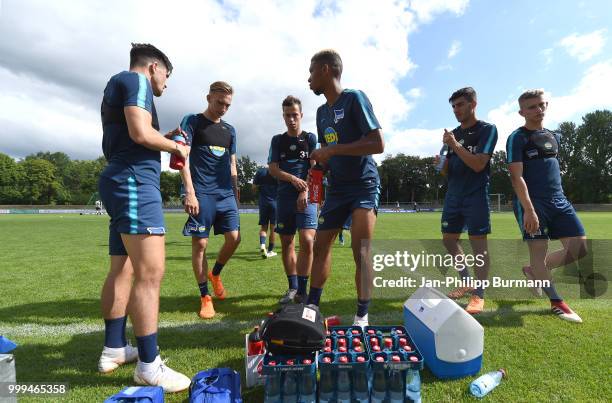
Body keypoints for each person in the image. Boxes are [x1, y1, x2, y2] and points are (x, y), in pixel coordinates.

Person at [97, 43, 191, 392]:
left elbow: (134, 135)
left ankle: (114, 349)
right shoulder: (136, 82)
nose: (166, 83)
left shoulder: (117, 83)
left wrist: (160, 139)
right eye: (167, 75)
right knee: (151, 274)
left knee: (122, 268)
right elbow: (139, 133)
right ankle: (150, 367)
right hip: (135, 182)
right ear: (154, 67)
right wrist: (176, 147)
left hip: (120, 178)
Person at [306, 49, 384, 327]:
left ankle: (362, 314)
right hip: (337, 189)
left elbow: (377, 143)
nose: (309, 79)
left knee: (360, 250)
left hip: (364, 184)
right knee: (321, 245)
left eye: (312, 71)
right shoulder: (321, 112)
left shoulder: (354, 98)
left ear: (326, 70)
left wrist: (333, 150)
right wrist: (318, 166)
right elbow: (329, 153)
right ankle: (312, 307)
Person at [506, 89, 587, 323]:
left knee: (579, 248)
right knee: (538, 253)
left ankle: (534, 271)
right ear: (522, 112)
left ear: (546, 105)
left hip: (559, 200)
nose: (538, 110)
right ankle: (556, 301)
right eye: (531, 107)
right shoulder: (517, 138)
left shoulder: (553, 136)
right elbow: (516, 177)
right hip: (533, 202)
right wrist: (529, 209)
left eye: (541, 105)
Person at [178, 81, 241, 320]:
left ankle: (215, 273)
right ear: (208, 98)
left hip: (226, 193)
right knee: (201, 245)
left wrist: (235, 191)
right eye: (219, 103)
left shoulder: (230, 130)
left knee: (234, 239)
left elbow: (232, 163)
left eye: (228, 105)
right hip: (201, 192)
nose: (224, 108)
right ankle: (205, 296)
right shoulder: (192, 121)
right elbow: (182, 156)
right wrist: (189, 192)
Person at [435, 87, 497, 315]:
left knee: (479, 247)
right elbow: (446, 171)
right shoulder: (452, 134)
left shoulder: (487, 130)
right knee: (449, 240)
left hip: (476, 195)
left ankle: (479, 294)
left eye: (460, 104)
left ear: (473, 104)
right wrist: (441, 165)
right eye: (453, 106)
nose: (456, 110)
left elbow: (479, 164)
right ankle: (466, 281)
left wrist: (454, 145)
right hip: (454, 195)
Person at [268, 95, 318, 304]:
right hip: (284, 197)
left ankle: (303, 291)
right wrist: (292, 179)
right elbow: (273, 169)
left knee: (307, 240)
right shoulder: (277, 140)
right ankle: (293, 288)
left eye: (295, 115)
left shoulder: (310, 138)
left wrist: (304, 189)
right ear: (283, 116)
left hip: (306, 196)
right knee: (287, 242)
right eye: (287, 115)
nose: (291, 119)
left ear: (301, 115)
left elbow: (315, 168)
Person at [253, 167, 278, 258]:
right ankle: (270, 250)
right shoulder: (278, 171)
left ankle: (263, 246)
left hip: (263, 203)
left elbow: (254, 187)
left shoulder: (260, 171)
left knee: (264, 227)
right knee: (273, 229)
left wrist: (261, 187)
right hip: (275, 203)